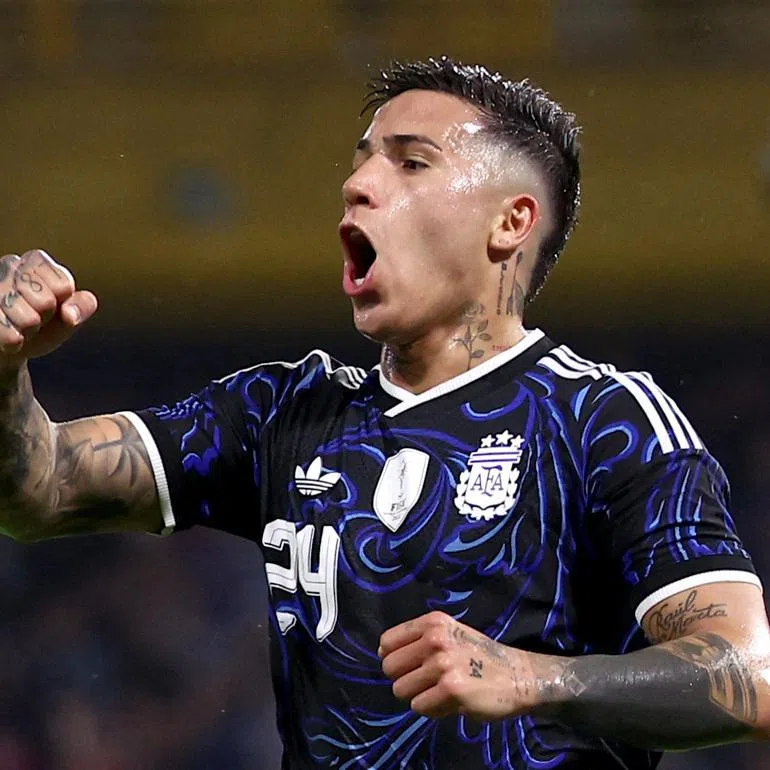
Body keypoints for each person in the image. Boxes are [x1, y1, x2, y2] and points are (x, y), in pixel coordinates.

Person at [0, 56, 768, 770]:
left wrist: (536, 678)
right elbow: (40, 492)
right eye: (363, 156)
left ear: (510, 223)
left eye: (410, 160)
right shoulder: (282, 414)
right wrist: (6, 368)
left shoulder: (603, 419)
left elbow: (751, 674)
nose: (359, 181)